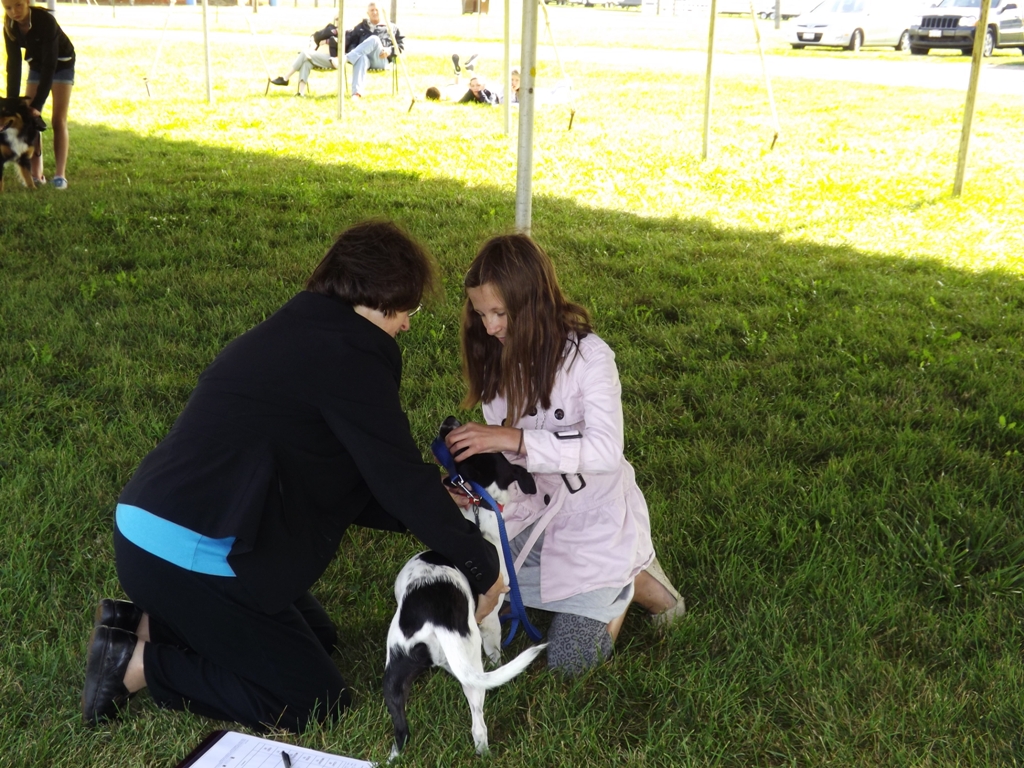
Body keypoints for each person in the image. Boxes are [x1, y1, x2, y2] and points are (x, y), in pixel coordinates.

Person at [81, 220, 507, 733]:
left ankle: (143, 624)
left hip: (157, 528)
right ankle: (137, 664)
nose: (407, 325)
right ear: (375, 299)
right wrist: (482, 565)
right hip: (189, 552)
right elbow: (396, 478)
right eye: (406, 310)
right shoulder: (351, 355)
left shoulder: (305, 326)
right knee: (314, 703)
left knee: (319, 637)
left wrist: (433, 499)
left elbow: (350, 476)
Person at [444, 234, 685, 676]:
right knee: (465, 579)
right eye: (480, 314)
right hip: (534, 514)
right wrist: (473, 488)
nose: (490, 327)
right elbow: (514, 469)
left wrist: (513, 438)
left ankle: (633, 580)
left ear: (533, 302)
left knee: (571, 663)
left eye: (500, 313)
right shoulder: (497, 357)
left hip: (595, 524)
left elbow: (606, 451)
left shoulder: (590, 357)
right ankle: (619, 577)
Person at [3, 0, 74, 189]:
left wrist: (38, 104)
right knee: (29, 118)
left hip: (61, 63)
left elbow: (50, 63)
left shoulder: (45, 20)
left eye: (18, 5)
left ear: (28, 2)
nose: (14, 12)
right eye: (8, 8)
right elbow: (14, 65)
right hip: (37, 64)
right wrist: (12, 103)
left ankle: (60, 175)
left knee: (58, 119)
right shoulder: (9, 26)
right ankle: (36, 173)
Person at [343, 2, 404, 99]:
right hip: (364, 59)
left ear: (381, 12)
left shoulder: (391, 27)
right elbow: (352, 44)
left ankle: (346, 58)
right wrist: (354, 50)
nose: (375, 12)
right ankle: (356, 94)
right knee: (361, 58)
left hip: (380, 59)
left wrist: (389, 51)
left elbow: (400, 46)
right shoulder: (360, 27)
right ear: (368, 13)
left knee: (374, 39)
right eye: (372, 10)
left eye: (377, 10)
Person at [269, 18, 339, 97]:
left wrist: (327, 41)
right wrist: (332, 30)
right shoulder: (331, 29)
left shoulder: (345, 32)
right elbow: (317, 36)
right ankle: (301, 93)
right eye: (337, 19)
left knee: (305, 53)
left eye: (339, 19)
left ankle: (285, 78)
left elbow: (342, 43)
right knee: (306, 63)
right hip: (320, 57)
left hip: (333, 60)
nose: (338, 21)